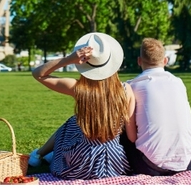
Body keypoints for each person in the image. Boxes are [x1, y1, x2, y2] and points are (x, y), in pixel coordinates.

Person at [28, 32, 135, 179]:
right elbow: (131, 135)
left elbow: (38, 74)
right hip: (114, 163)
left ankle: (39, 155)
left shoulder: (78, 89)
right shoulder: (126, 90)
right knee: (75, 121)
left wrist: (69, 59)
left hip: (80, 163)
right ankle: (44, 155)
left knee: (72, 122)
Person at [122, 38, 191, 176]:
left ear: (139, 61)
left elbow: (131, 137)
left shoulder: (133, 86)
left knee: (123, 128)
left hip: (150, 166)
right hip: (186, 163)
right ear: (165, 61)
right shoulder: (178, 83)